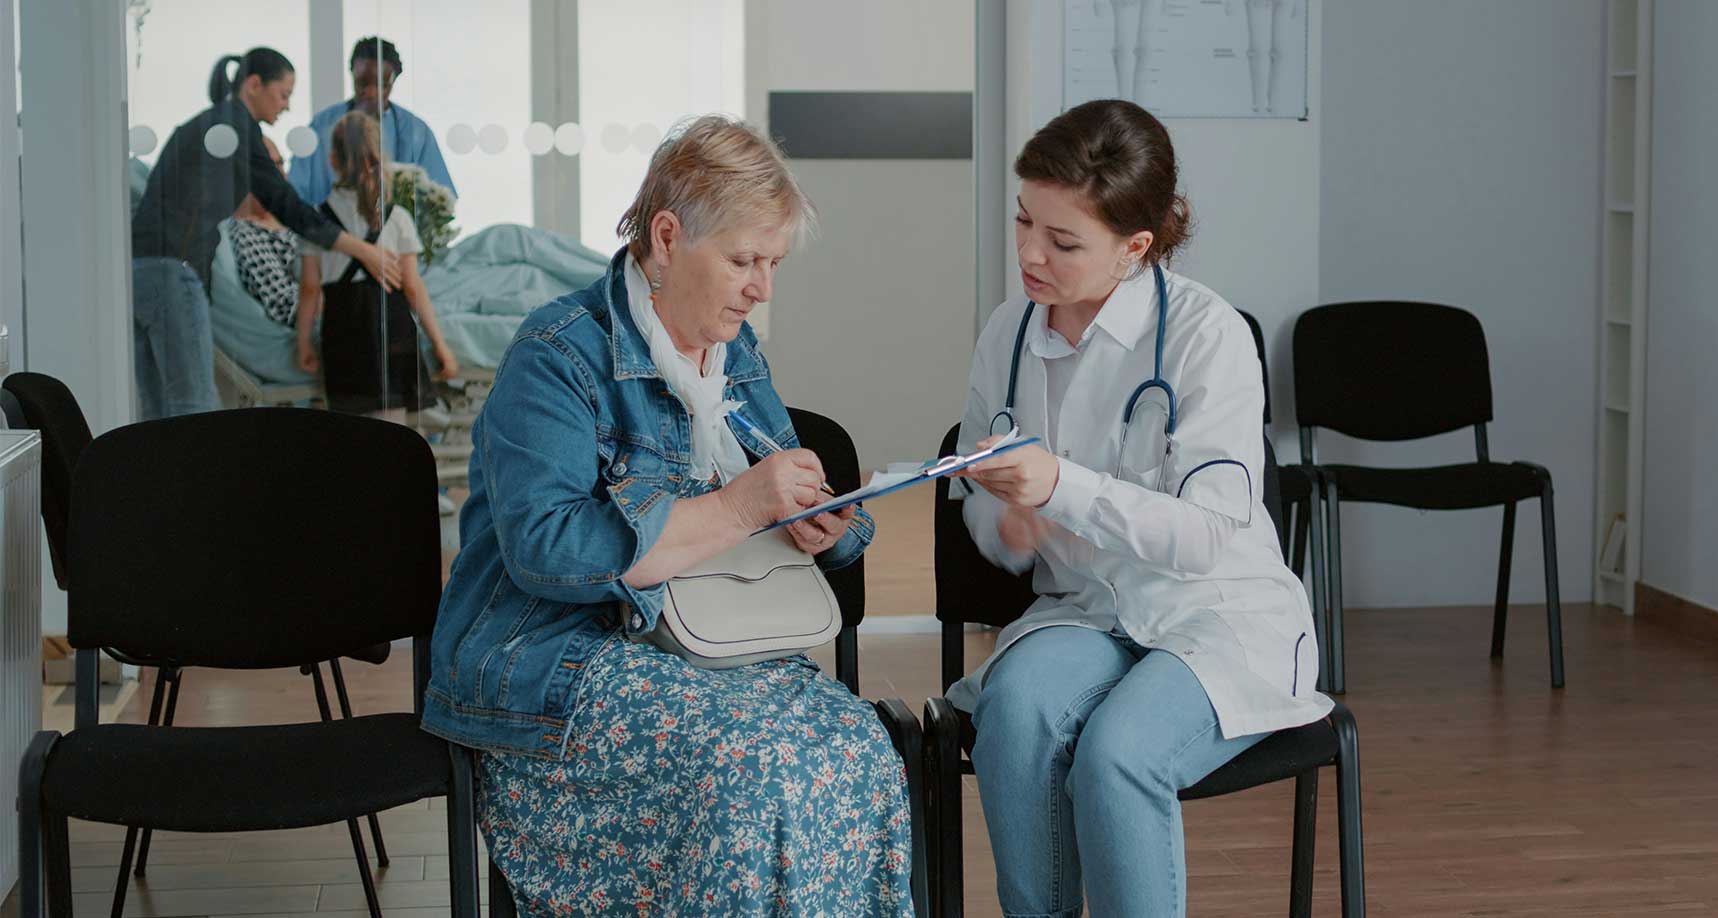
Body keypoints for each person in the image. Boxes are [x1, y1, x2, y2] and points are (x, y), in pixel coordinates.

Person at [422, 115, 913, 916]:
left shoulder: (735, 354)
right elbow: (545, 550)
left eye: (774, 264)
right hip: (558, 664)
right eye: (744, 261)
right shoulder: (555, 354)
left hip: (707, 648)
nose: (762, 288)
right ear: (667, 238)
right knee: (752, 770)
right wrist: (739, 505)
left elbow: (788, 500)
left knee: (858, 748)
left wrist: (822, 523)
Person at [945, 98, 1333, 916]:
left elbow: (1206, 537)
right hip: (1086, 609)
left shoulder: (1206, 336)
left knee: (1118, 754)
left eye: (1063, 241)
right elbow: (979, 490)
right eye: (1024, 221)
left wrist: (1060, 486)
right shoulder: (1008, 334)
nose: (1029, 253)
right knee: (1016, 715)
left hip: (1213, 614)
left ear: (1135, 247)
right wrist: (1008, 523)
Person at [131, 47, 401, 420]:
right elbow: (285, 203)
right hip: (174, 270)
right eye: (284, 94)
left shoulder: (210, 125)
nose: (286, 106)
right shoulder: (235, 129)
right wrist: (364, 250)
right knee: (194, 408)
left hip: (140, 273)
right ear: (254, 84)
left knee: (158, 411)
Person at [297, 111, 459, 419]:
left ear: (332, 160)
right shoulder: (397, 217)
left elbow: (309, 289)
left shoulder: (316, 221)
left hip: (342, 332)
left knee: (350, 433)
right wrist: (440, 345)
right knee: (391, 433)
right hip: (392, 329)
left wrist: (303, 342)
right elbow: (412, 288)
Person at [289, 36, 455, 206]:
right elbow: (295, 194)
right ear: (352, 74)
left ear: (393, 81)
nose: (370, 93)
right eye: (362, 83)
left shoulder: (416, 132)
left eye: (381, 85)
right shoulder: (322, 126)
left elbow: (441, 202)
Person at [226, 136, 304, 326]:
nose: (283, 176)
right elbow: (287, 306)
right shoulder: (246, 235)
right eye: (274, 166)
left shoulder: (292, 219)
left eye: (282, 164)